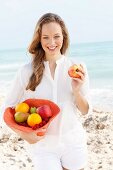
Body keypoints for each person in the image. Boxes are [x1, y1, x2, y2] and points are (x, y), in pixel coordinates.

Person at [2, 13, 92, 170]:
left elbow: (85, 111)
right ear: (39, 39)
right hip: (43, 148)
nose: (52, 42)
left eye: (56, 36)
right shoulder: (26, 72)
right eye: (46, 37)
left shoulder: (77, 67)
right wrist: (25, 135)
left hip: (73, 143)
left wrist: (77, 92)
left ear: (64, 37)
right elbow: (7, 109)